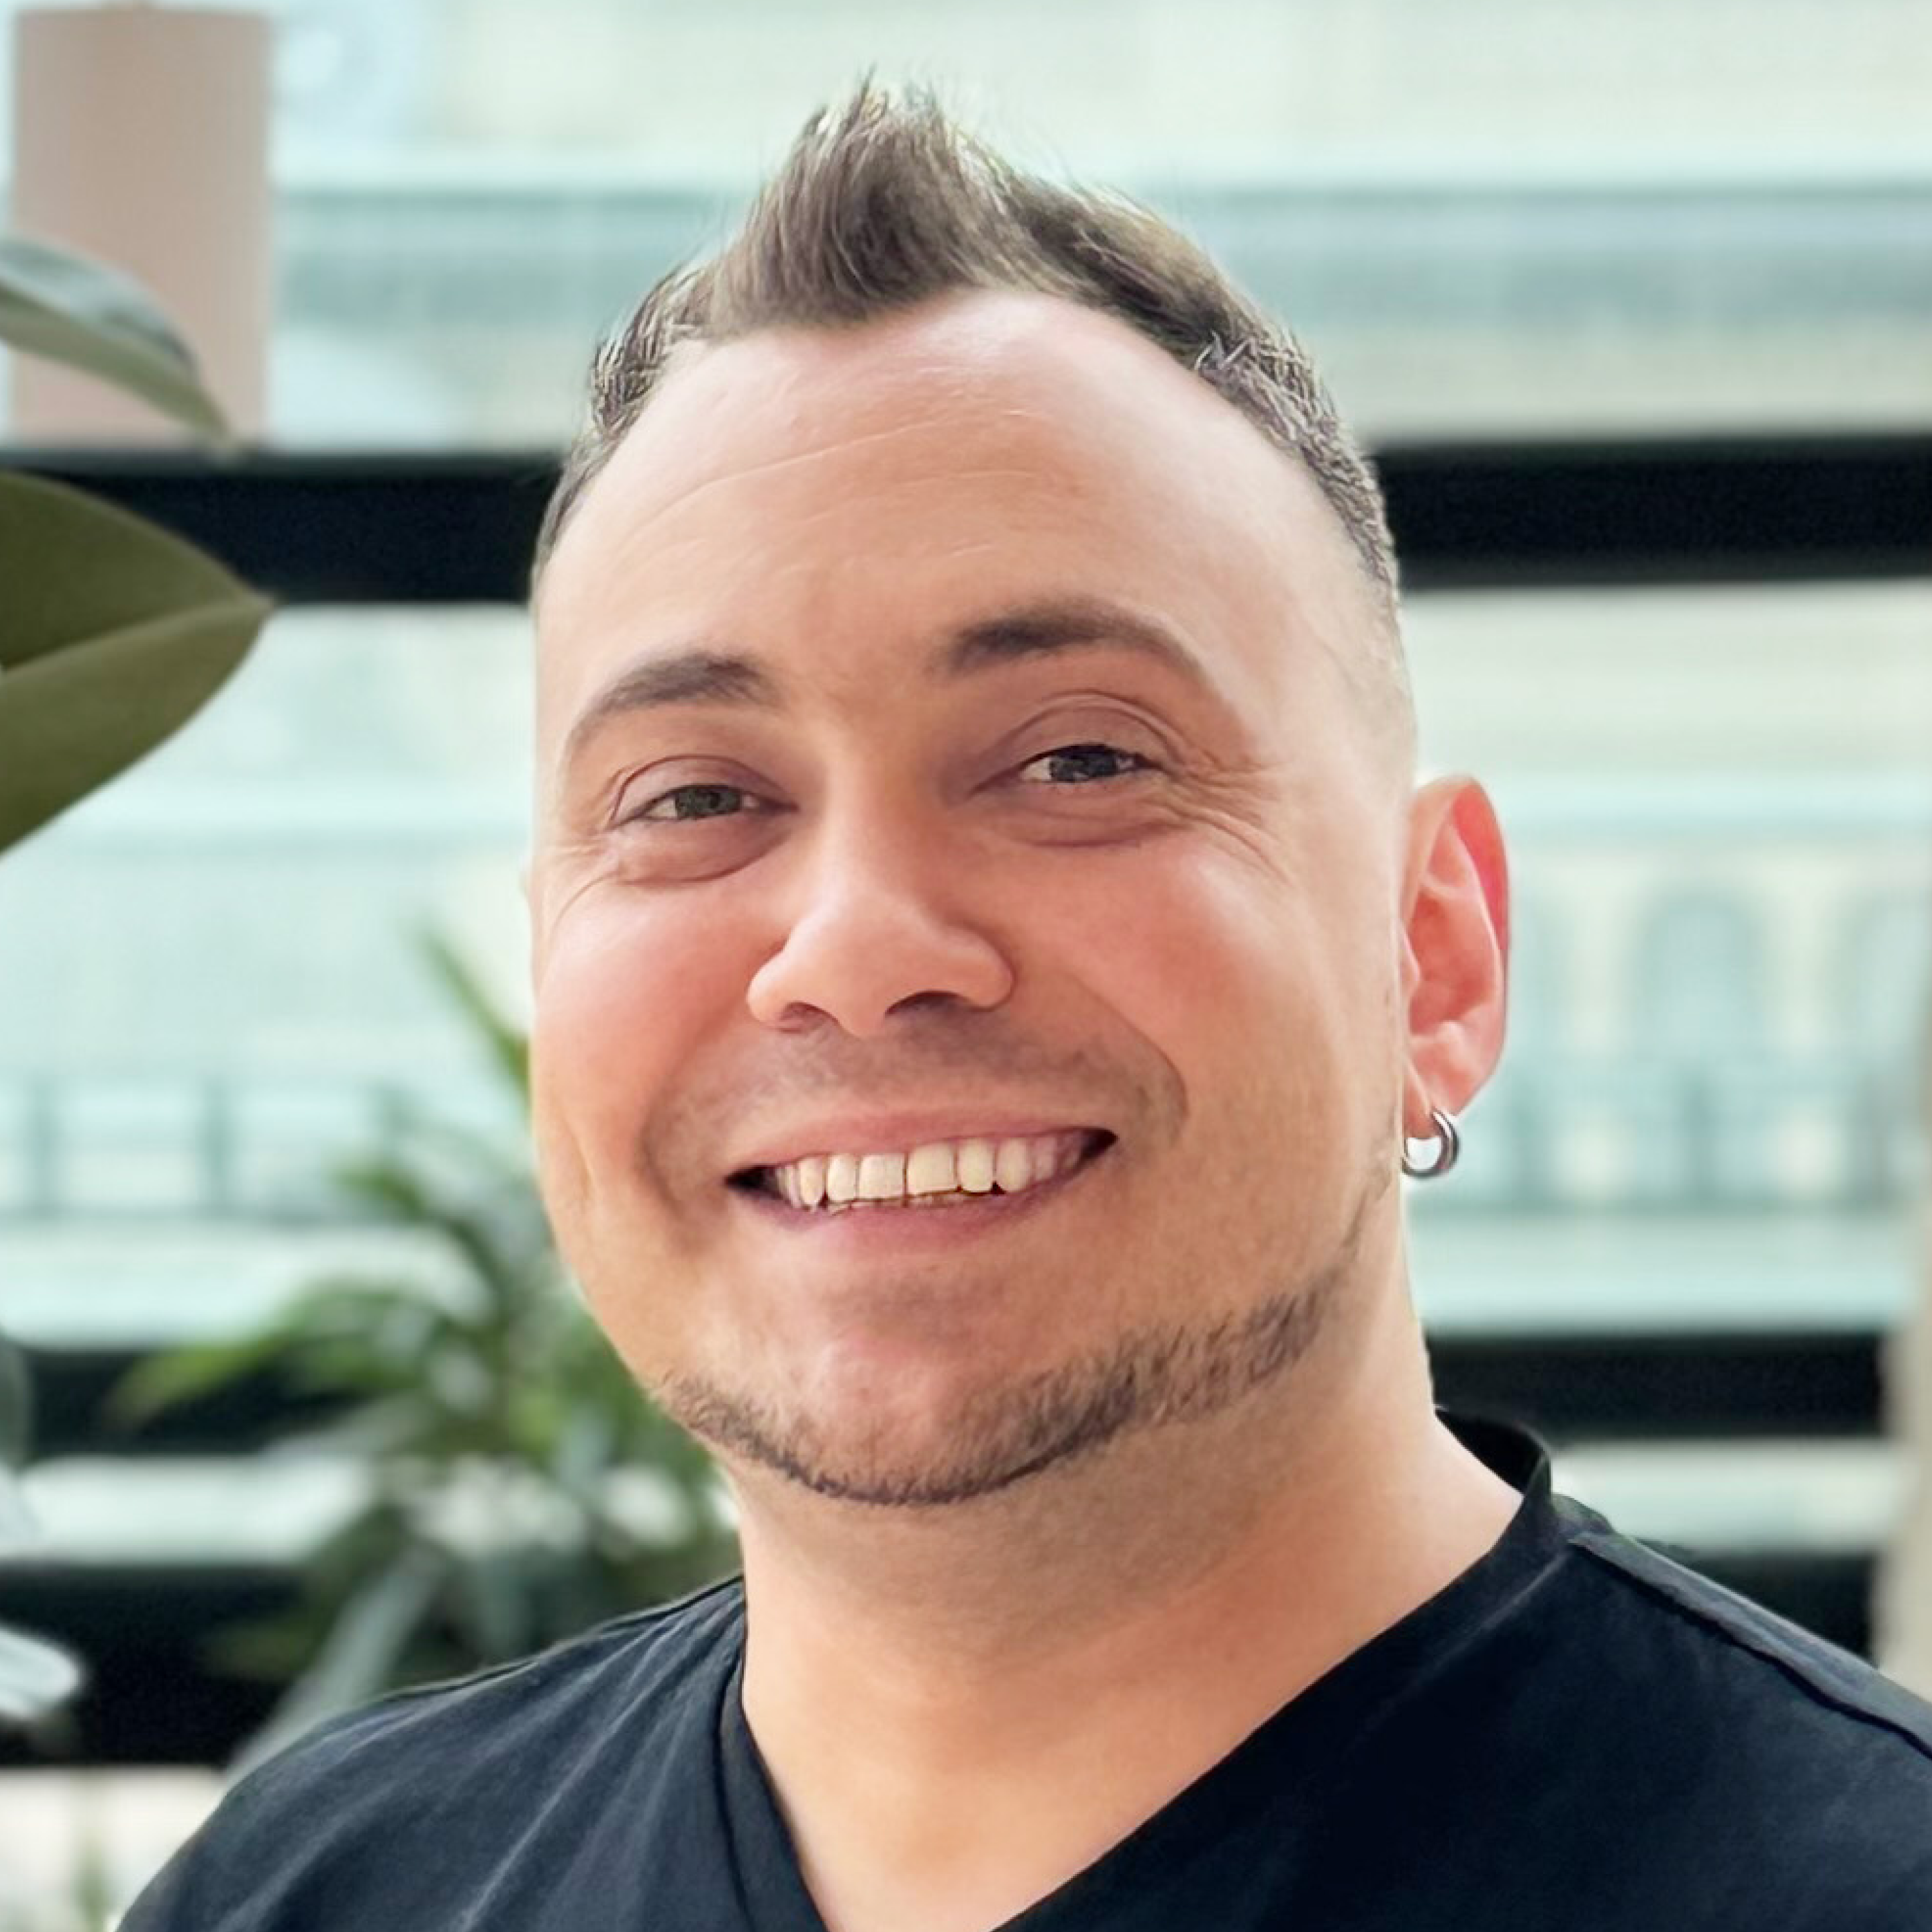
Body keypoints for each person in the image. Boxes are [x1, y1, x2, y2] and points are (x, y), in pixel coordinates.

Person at [124, 79, 1932, 1932]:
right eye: (694, 797)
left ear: (1434, 955)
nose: (853, 945)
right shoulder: (314, 1893)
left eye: (1078, 759)